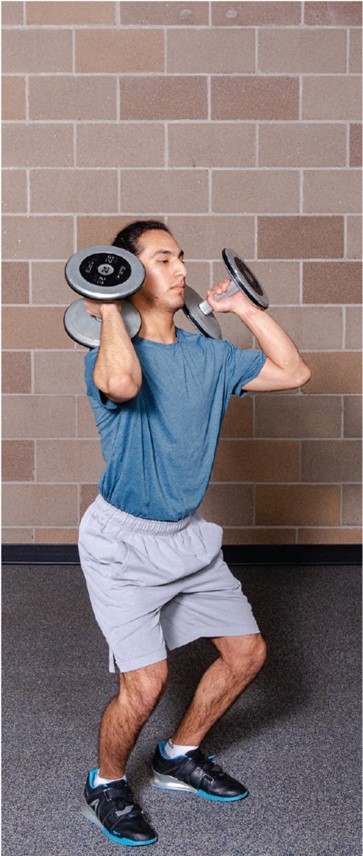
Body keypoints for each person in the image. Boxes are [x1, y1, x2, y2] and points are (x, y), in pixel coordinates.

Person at [78, 219, 311, 847]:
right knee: (146, 681)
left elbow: (293, 373)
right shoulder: (110, 355)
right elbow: (123, 384)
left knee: (247, 655)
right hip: (123, 543)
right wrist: (108, 309)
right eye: (162, 260)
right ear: (129, 274)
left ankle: (180, 755)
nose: (181, 269)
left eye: (180, 257)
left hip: (187, 536)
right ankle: (106, 782)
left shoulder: (208, 355)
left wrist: (242, 307)